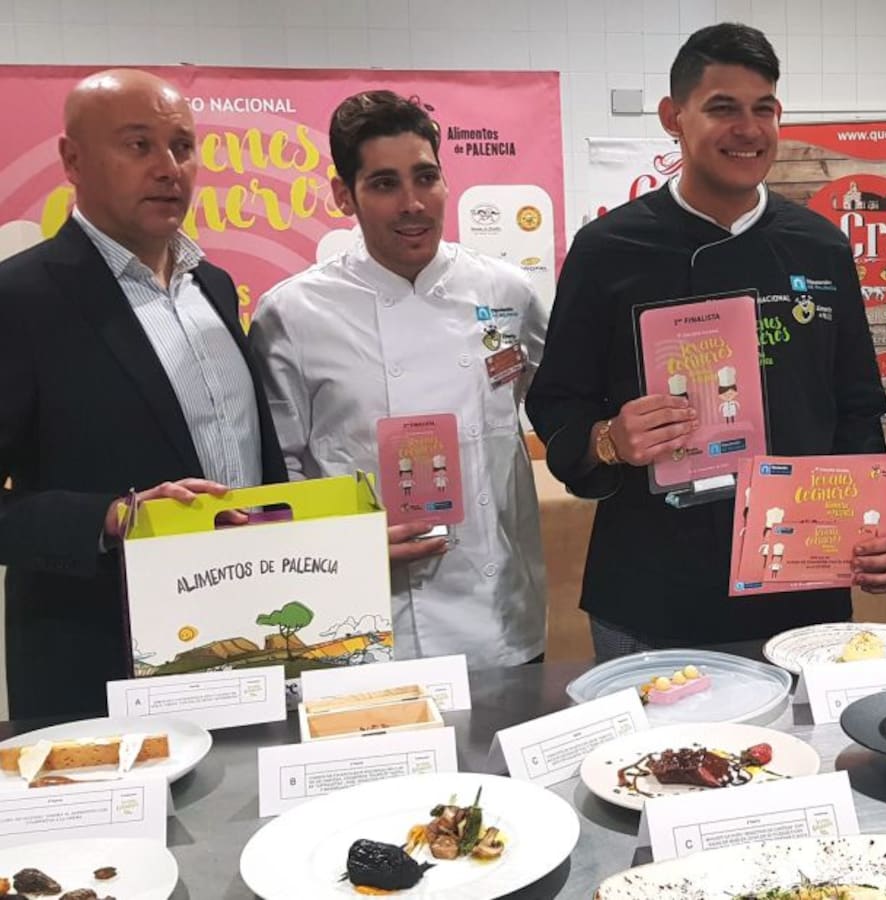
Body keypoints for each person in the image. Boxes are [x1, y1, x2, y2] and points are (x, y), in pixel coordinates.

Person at [525, 24, 886, 659]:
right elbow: (556, 401)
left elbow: (857, 409)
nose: (749, 129)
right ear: (673, 117)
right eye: (723, 108)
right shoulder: (608, 250)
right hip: (653, 590)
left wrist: (869, 523)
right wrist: (609, 439)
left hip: (800, 589)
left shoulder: (820, 246)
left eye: (764, 109)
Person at [0, 69, 286, 719]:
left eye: (182, 147)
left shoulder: (213, 286)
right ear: (73, 160)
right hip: (100, 662)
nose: (168, 169)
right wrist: (111, 517)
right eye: (138, 146)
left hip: (245, 639)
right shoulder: (19, 300)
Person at [250, 91, 548, 667]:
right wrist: (343, 544)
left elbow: (555, 405)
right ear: (344, 194)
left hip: (499, 617)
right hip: (361, 620)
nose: (413, 203)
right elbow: (276, 471)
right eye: (384, 184)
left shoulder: (506, 291)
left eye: (426, 177)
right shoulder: (294, 313)